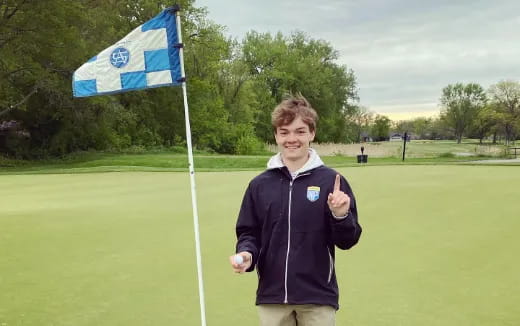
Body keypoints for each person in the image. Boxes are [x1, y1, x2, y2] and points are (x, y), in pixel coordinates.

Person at [229, 94, 362, 326]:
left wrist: (340, 215)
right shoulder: (260, 185)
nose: (292, 139)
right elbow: (249, 232)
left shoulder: (332, 181)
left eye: (300, 131)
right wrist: (247, 254)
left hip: (317, 296)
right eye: (284, 132)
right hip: (272, 295)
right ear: (276, 136)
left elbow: (348, 240)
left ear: (311, 133)